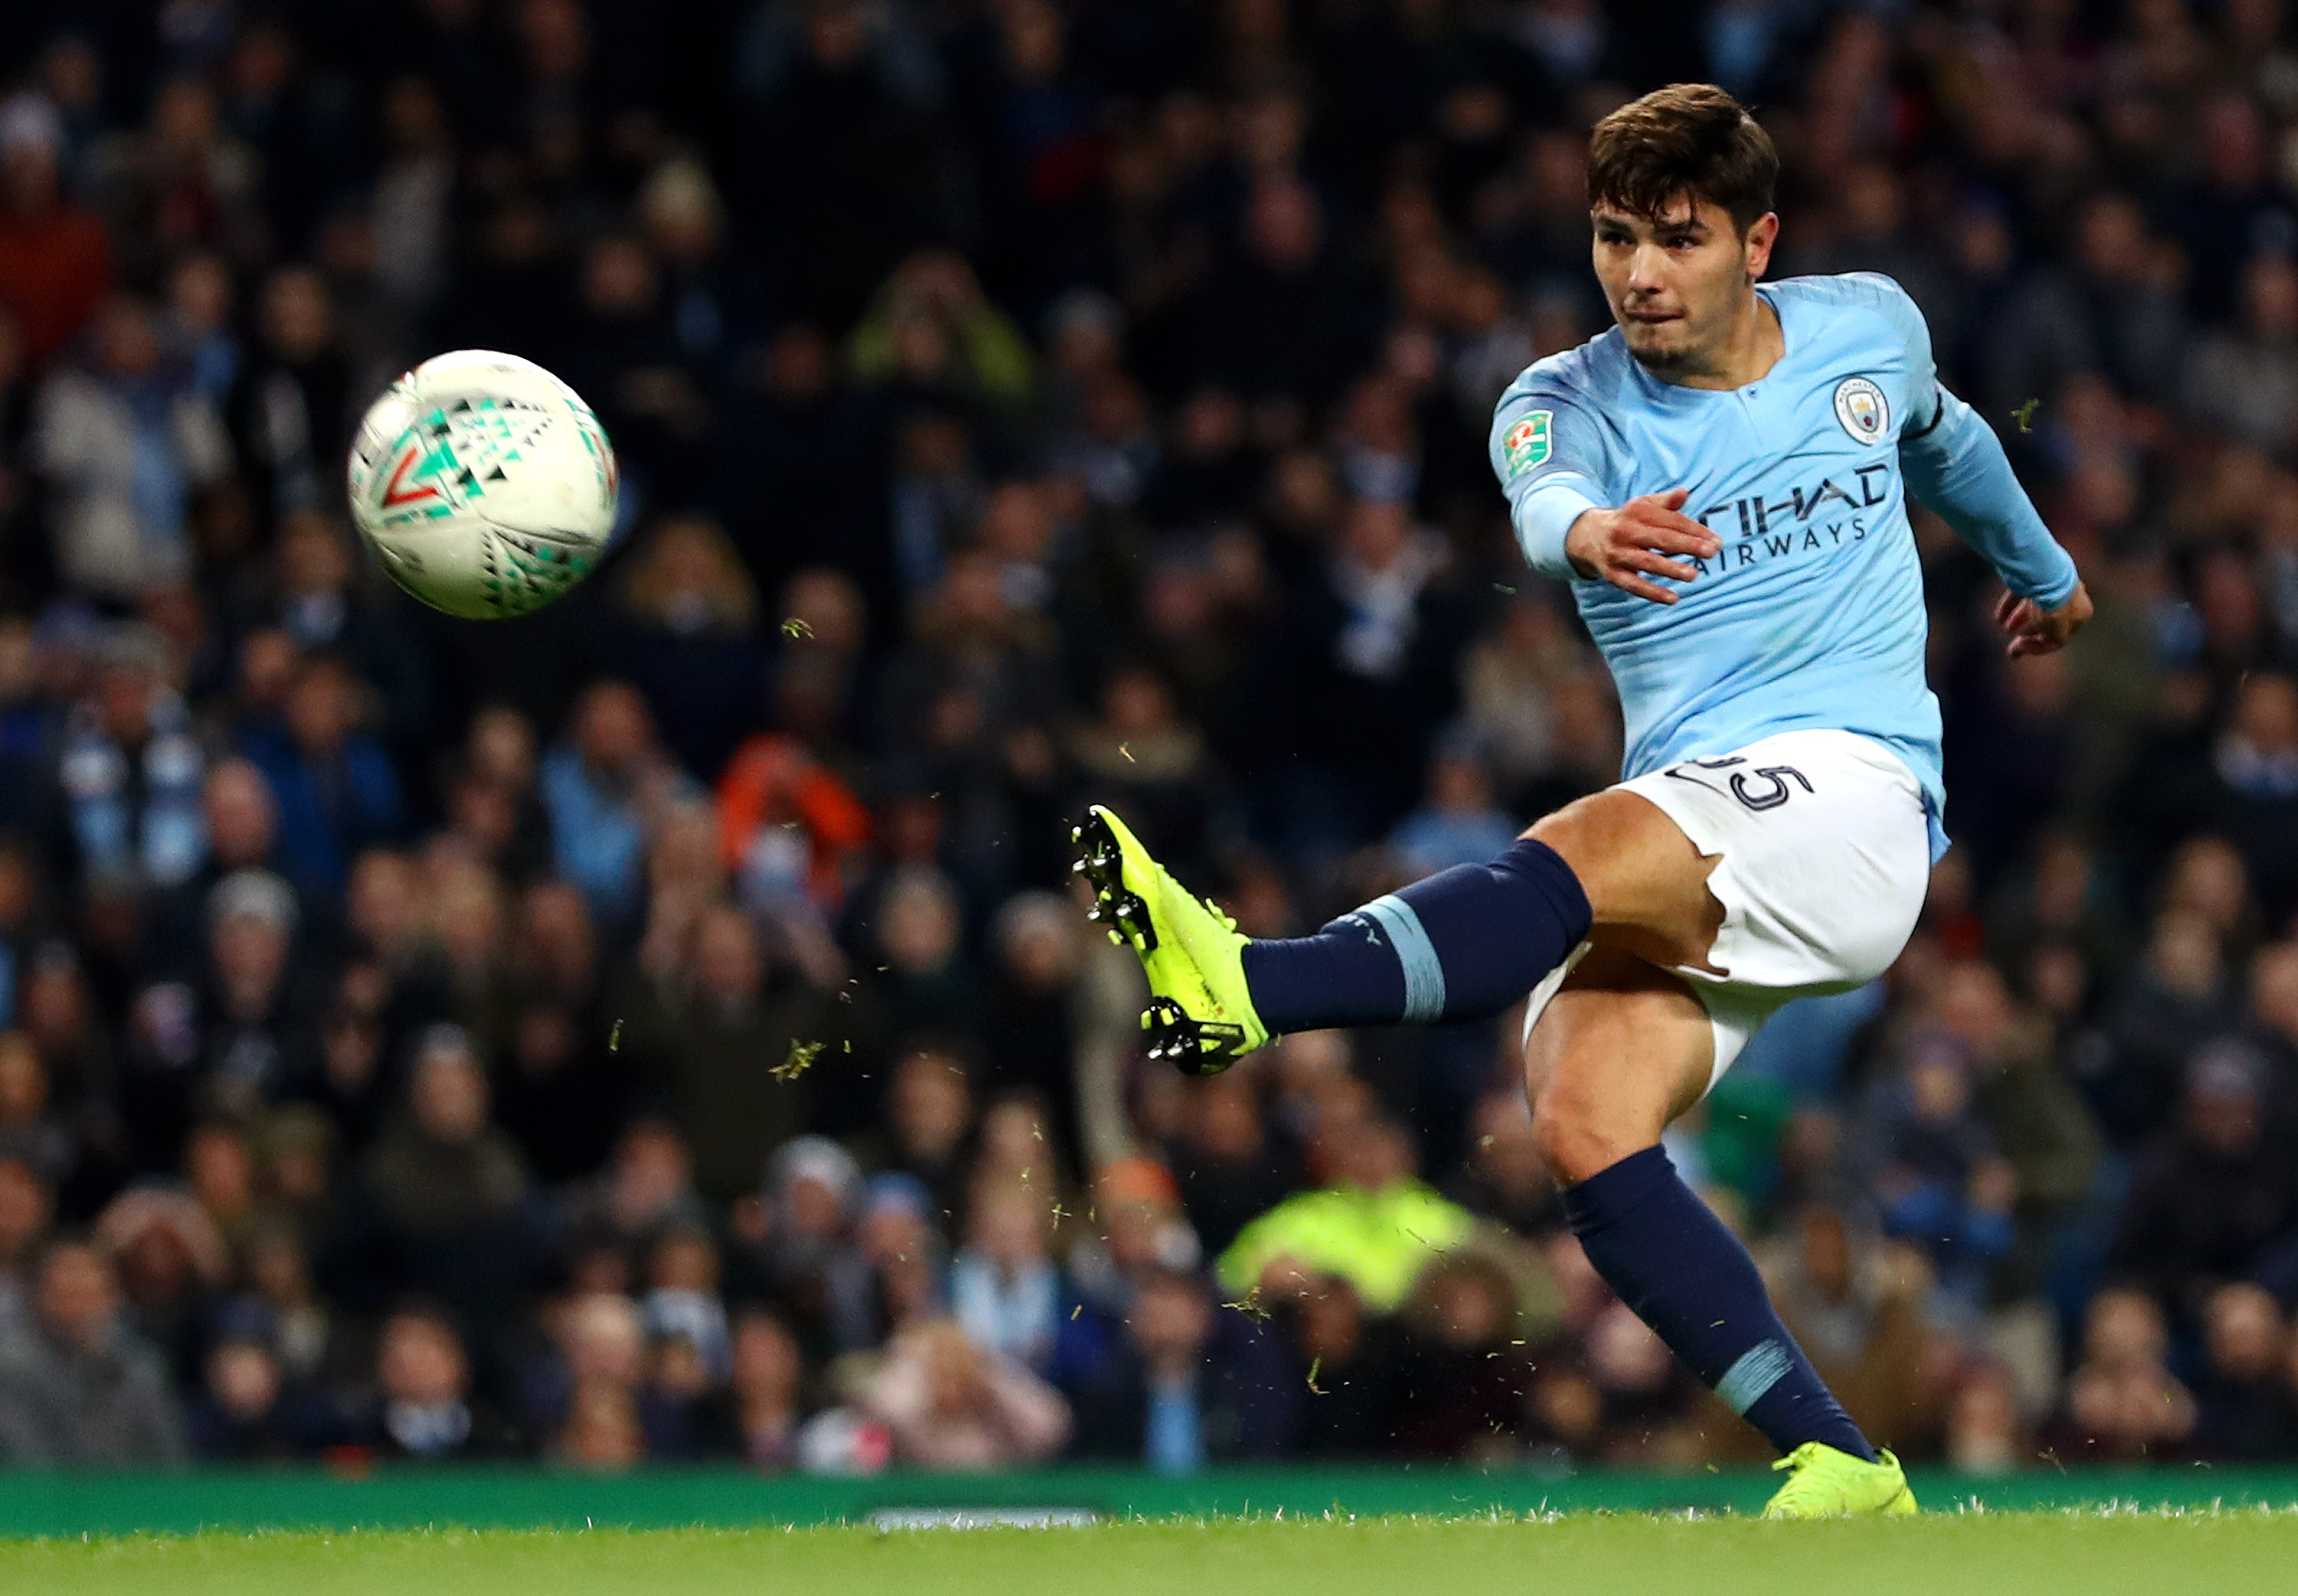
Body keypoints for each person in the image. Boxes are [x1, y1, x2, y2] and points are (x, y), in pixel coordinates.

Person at [1075, 84, 2090, 1519]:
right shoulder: (1561, 401)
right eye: (1616, 237)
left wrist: (2042, 573)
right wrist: (1589, 529)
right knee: (1581, 1111)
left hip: (1859, 800)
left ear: (1758, 240)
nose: (1641, 273)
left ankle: (1252, 982)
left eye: (1679, 238)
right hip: (1714, 821)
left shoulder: (1869, 325)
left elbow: (1950, 439)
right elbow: (1537, 501)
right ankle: (1842, 1462)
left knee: (1590, 841)